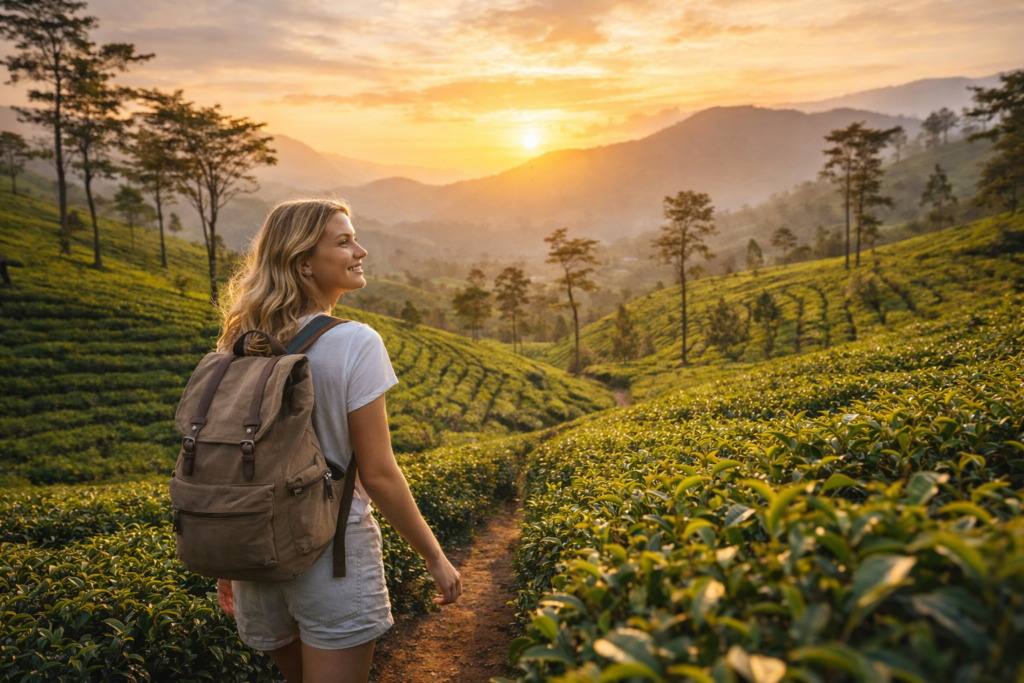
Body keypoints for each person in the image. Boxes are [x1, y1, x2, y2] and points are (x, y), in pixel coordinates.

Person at [214, 198, 462, 683]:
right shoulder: (355, 342)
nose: (361, 250)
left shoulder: (241, 341)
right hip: (331, 554)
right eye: (344, 241)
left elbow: (230, 456)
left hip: (253, 557)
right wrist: (435, 557)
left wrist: (228, 559)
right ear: (304, 260)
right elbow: (379, 472)